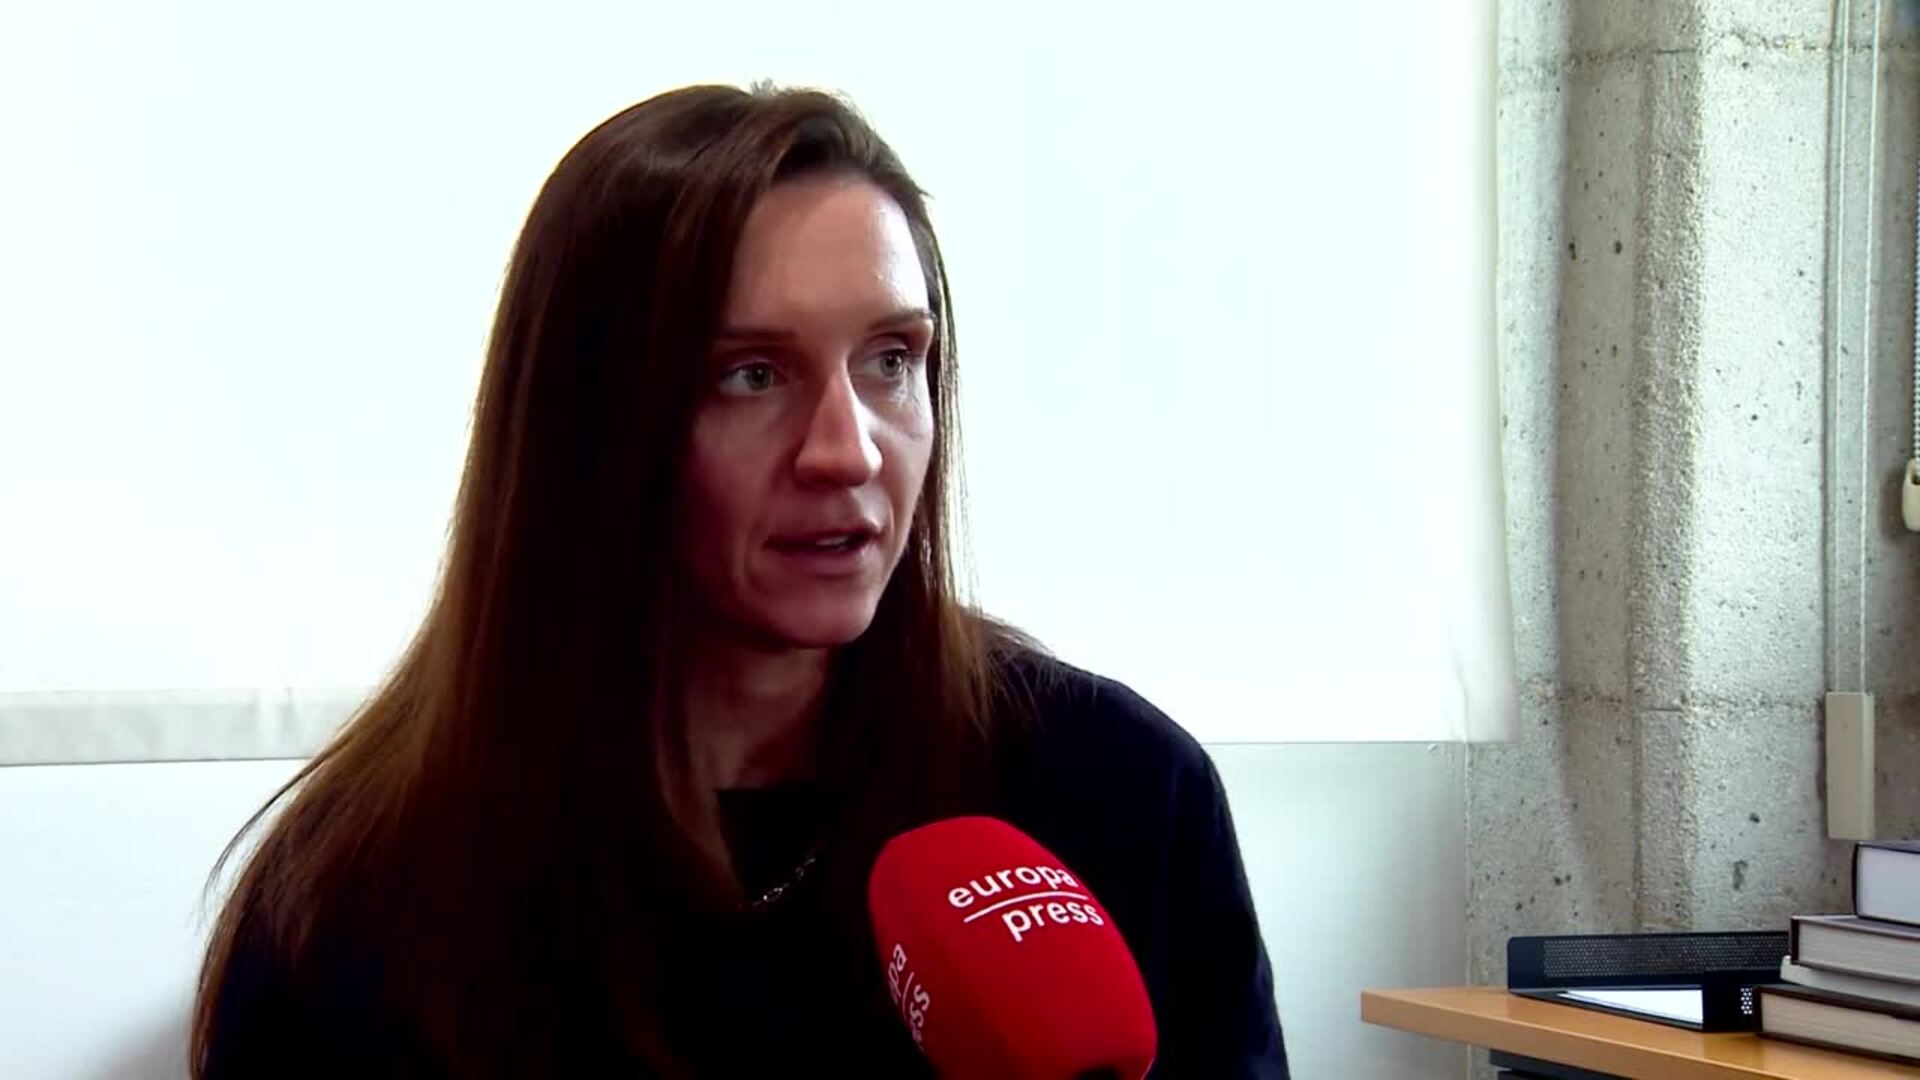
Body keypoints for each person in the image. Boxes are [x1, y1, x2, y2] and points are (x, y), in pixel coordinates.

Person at [193, 83, 1288, 1078]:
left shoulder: (1121, 797)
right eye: (752, 375)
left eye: (891, 361)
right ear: (589, 428)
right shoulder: (359, 903)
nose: (847, 451)